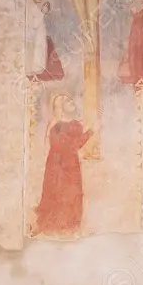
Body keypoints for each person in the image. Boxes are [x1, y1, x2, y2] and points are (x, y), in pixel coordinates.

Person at [32, 95, 93, 236]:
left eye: (70, 99)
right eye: (66, 100)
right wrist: (90, 132)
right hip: (58, 167)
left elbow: (75, 141)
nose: (71, 101)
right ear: (60, 107)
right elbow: (72, 145)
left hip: (72, 165)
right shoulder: (56, 126)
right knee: (61, 195)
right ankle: (58, 227)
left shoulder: (76, 124)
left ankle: (71, 226)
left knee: (74, 194)